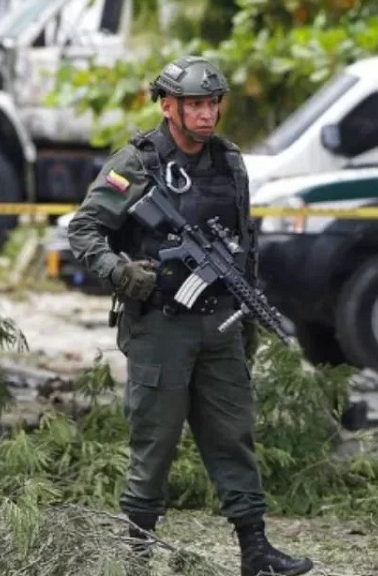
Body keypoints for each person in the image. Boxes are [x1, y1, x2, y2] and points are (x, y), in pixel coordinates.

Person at [66, 55, 314, 576]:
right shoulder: (138, 162)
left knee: (234, 438)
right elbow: (84, 229)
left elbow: (244, 244)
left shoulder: (229, 162)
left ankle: (256, 552)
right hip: (161, 326)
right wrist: (120, 271)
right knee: (154, 443)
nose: (206, 114)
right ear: (168, 106)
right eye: (195, 105)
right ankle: (136, 558)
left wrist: (246, 319)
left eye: (212, 104)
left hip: (219, 323)